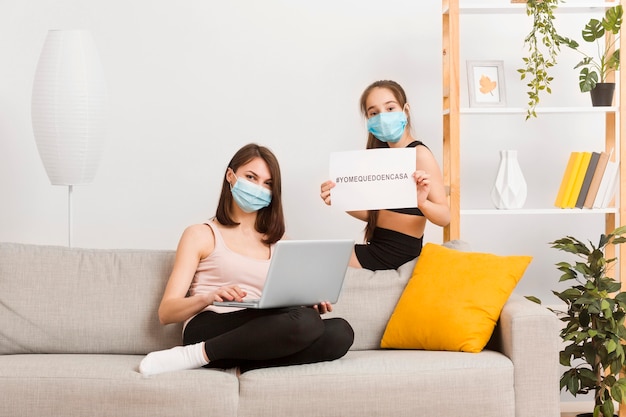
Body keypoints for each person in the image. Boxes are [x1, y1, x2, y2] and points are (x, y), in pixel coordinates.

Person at [140, 143, 354, 376]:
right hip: (210, 325)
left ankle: (241, 362)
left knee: (341, 332)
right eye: (251, 177)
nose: (259, 188)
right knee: (306, 322)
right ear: (230, 176)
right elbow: (166, 312)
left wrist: (308, 302)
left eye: (267, 183)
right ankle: (195, 354)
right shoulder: (200, 234)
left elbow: (285, 310)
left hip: (260, 330)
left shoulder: (282, 242)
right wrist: (208, 297)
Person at [320, 80, 450, 271]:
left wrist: (422, 202)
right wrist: (340, 199)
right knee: (313, 257)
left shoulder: (419, 154)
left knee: (320, 261)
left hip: (397, 254)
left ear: (405, 110)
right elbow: (376, 217)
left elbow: (445, 217)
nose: (383, 117)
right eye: (374, 113)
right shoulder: (377, 157)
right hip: (378, 247)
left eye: (390, 108)